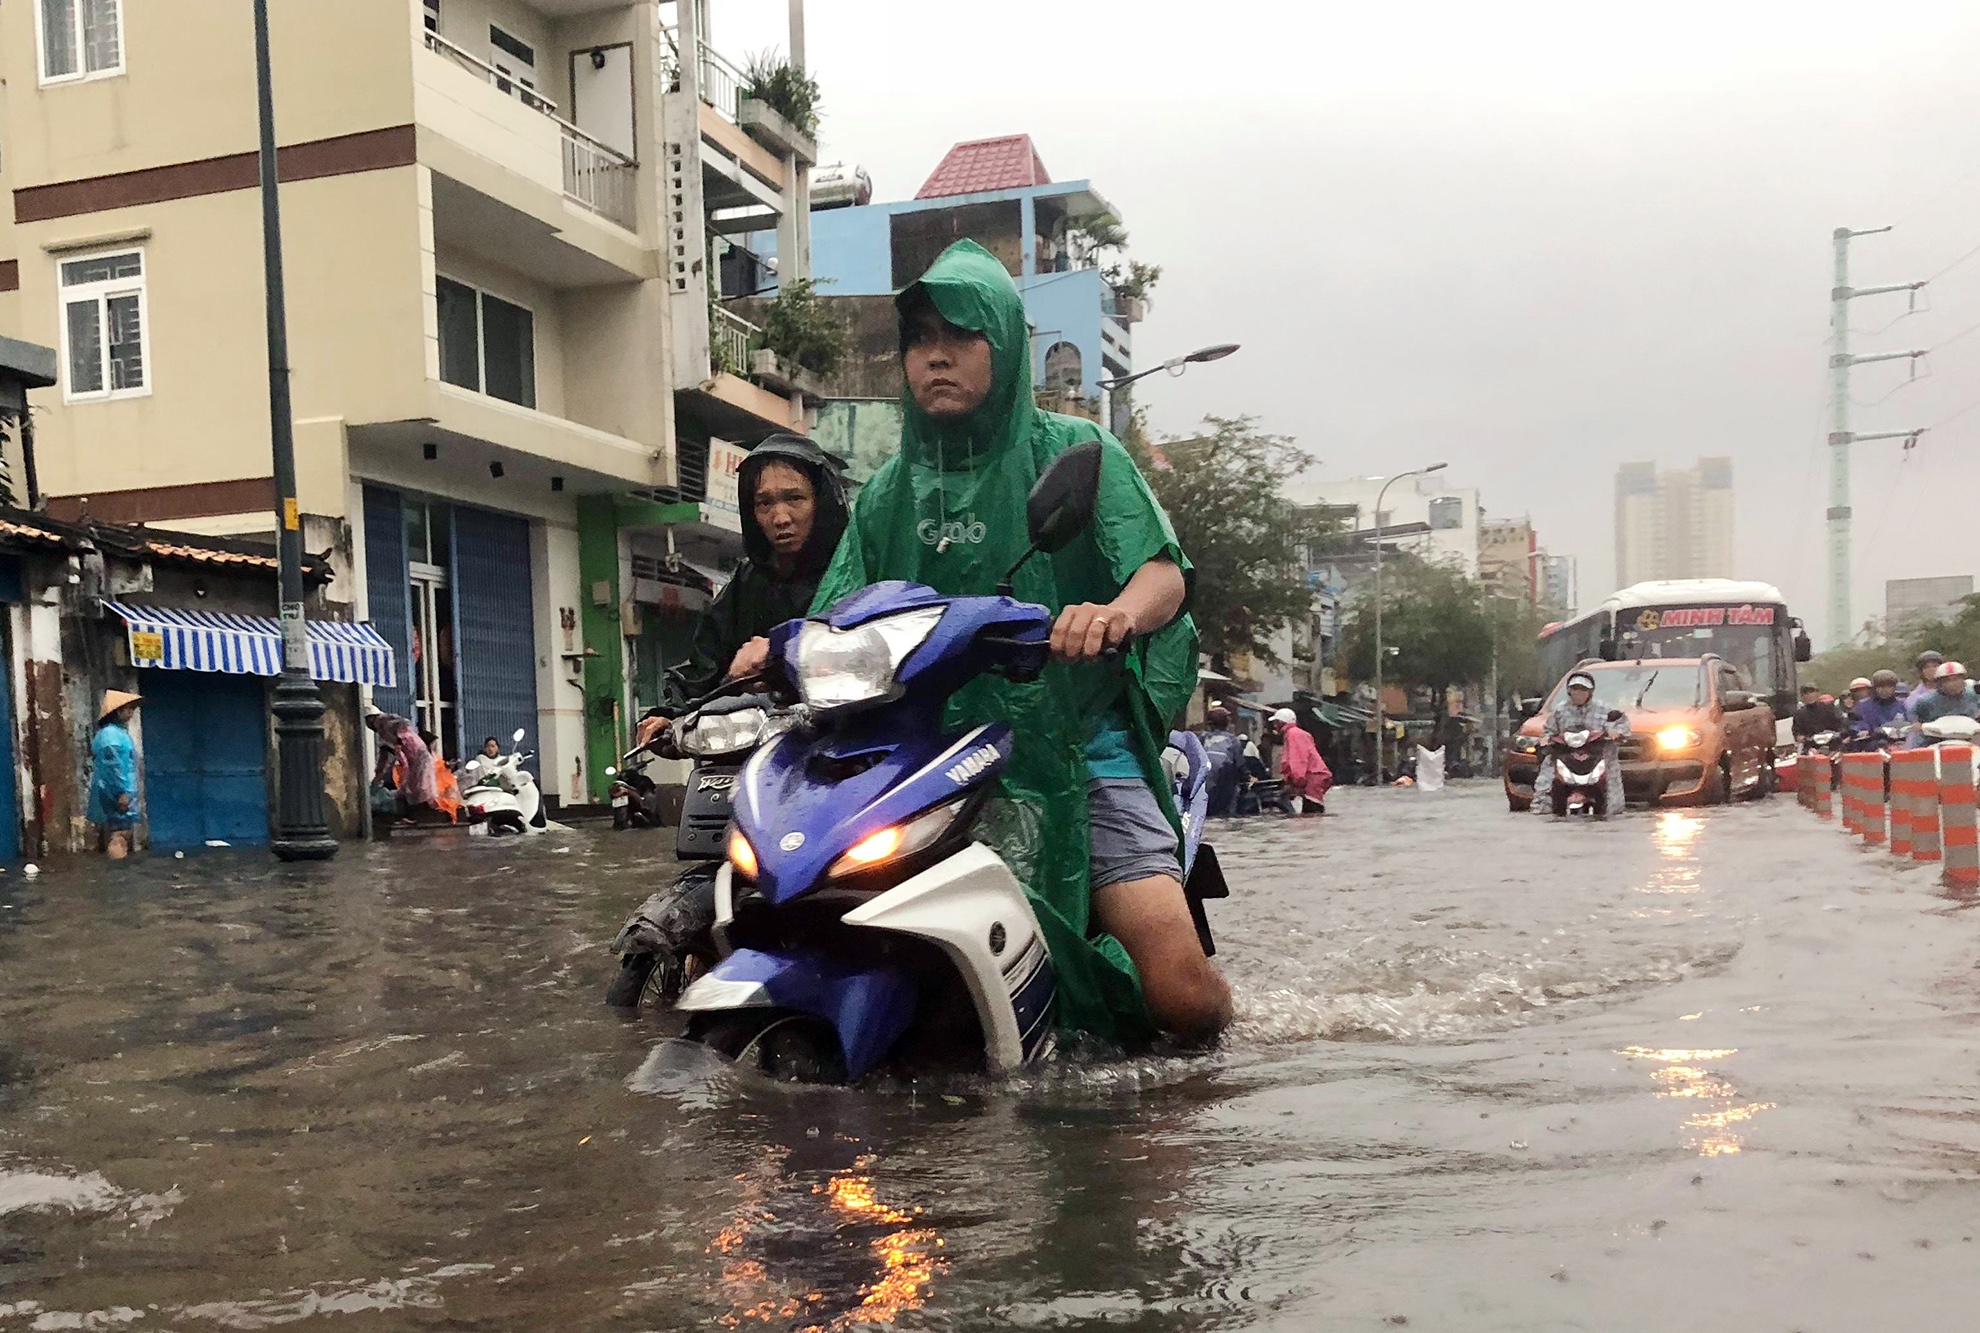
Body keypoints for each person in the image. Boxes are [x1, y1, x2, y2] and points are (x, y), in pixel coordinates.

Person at [804, 239, 1229, 1044]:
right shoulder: (888, 491)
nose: (938, 356)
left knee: (1178, 995)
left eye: (963, 337)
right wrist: (777, 650)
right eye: (921, 339)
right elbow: (842, 606)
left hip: (1078, 746)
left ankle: (1222, 1029)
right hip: (929, 759)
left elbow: (1161, 574)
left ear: (1001, 345)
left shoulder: (1077, 452)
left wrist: (1113, 614)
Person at [633, 434, 849, 750]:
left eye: (795, 498)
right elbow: (704, 666)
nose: (780, 517)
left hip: (846, 744)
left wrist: (779, 649)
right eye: (764, 503)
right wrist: (670, 716)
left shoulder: (852, 569)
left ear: (822, 502)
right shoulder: (747, 582)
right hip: (756, 750)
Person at [1533, 670, 1628, 817]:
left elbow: (1621, 724)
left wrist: (1615, 732)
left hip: (1598, 755)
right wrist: (1546, 739)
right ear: (1569, 691)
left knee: (1611, 789)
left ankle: (1609, 808)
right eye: (1575, 689)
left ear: (1590, 692)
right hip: (1566, 755)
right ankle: (1544, 806)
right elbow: (1548, 731)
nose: (1579, 693)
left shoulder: (1605, 709)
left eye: (1583, 690)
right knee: (1546, 776)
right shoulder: (1560, 711)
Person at [89, 690, 142, 859]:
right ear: (117, 711)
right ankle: (117, 873)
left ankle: (117, 870)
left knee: (121, 832)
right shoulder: (111, 736)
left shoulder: (115, 733)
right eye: (128, 709)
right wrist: (121, 792)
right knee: (119, 834)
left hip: (118, 790)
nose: (131, 713)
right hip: (117, 791)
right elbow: (114, 767)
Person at [366, 708, 439, 819]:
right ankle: (418, 814)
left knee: (421, 787)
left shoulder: (383, 724)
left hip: (417, 756)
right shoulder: (388, 726)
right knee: (414, 787)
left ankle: (423, 815)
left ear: (371, 718)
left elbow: (386, 756)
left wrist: (378, 776)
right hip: (414, 758)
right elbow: (388, 754)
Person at [1270, 708, 1332, 814]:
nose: (1274, 726)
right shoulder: (1296, 733)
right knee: (1310, 814)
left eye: (1276, 722)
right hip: (1312, 777)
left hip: (1312, 778)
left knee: (1312, 814)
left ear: (1281, 722)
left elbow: (1298, 760)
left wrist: (1297, 782)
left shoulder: (1293, 734)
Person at [1196, 704, 1246, 818]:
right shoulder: (1233, 740)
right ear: (1227, 723)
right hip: (1225, 782)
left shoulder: (1202, 738)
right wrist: (1246, 779)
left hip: (1202, 783)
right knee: (1227, 814)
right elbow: (1240, 764)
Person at [1844, 669, 1910, 752]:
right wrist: (1864, 731)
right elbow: (1857, 724)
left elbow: (1911, 721)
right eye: (1881, 686)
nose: (1885, 690)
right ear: (1874, 688)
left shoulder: (1903, 705)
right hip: (1874, 745)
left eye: (1889, 686)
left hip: (1902, 743)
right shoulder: (1862, 706)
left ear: (1894, 687)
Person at [1912, 660, 1980, 730]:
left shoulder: (1973, 696)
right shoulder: (1925, 701)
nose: (1953, 683)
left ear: (1963, 679)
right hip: (1934, 738)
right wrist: (1918, 726)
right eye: (1947, 680)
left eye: (1956, 679)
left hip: (1969, 737)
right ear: (1939, 683)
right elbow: (1916, 720)